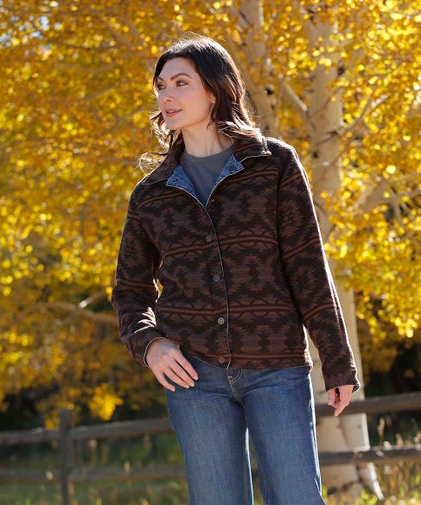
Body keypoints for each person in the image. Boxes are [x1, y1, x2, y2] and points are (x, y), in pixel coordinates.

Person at [111, 34, 360, 505]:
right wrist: (151, 345)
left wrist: (337, 357)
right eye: (160, 86)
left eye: (180, 83)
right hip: (193, 375)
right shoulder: (151, 194)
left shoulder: (274, 164)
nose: (167, 95)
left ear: (214, 89)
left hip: (276, 367)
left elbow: (307, 266)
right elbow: (129, 291)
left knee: (297, 498)